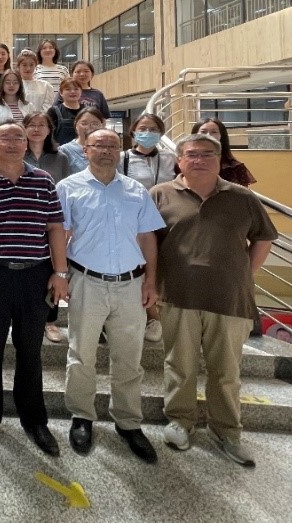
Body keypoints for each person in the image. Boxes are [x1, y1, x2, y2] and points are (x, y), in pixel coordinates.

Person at [151, 134, 277, 467]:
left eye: (208, 154)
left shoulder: (242, 197)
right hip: (177, 295)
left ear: (220, 160)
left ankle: (227, 431)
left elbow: (263, 238)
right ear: (179, 160)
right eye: (192, 154)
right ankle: (180, 421)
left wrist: (244, 274)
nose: (200, 160)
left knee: (226, 371)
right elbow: (147, 243)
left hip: (229, 298)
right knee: (180, 364)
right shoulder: (160, 194)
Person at [0, 121, 69, 456]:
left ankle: (34, 419)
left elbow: (55, 227)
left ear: (26, 143)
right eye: (4, 137)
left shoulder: (44, 180)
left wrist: (60, 272)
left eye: (17, 137)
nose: (11, 142)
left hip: (36, 275)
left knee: (30, 350)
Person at [58, 128, 165, 464]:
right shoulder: (68, 188)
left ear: (120, 150)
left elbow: (147, 238)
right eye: (98, 145)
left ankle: (128, 421)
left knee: (129, 358)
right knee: (81, 354)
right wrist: (60, 275)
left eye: (112, 146)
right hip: (86, 281)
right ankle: (82, 416)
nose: (105, 151)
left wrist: (151, 281)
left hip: (131, 284)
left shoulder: (135, 190)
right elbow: (60, 234)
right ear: (86, 150)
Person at [121, 113, 177, 345]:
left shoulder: (170, 158)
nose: (147, 133)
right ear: (133, 132)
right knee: (141, 268)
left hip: (166, 220)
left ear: (161, 133)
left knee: (162, 268)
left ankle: (161, 314)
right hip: (135, 223)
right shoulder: (123, 158)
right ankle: (152, 317)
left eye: (153, 129)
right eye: (143, 128)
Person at [22, 112, 72, 344]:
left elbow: (66, 190)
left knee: (54, 270)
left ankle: (50, 321)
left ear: (49, 129)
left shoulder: (60, 157)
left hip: (52, 222)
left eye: (41, 125)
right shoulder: (17, 154)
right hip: (24, 222)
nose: (36, 129)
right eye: (31, 125)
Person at [192, 118, 256, 187]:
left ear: (221, 136)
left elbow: (241, 193)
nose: (208, 136)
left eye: (214, 132)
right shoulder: (186, 164)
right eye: (203, 132)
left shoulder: (235, 168)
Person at [59, 107, 107, 173]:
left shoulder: (108, 148)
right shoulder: (65, 150)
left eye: (95, 124)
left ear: (101, 126)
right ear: (76, 125)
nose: (89, 127)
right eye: (84, 123)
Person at [48, 78, 85, 146]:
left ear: (81, 91)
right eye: (68, 89)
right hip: (61, 151)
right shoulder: (53, 111)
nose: (73, 92)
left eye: (76, 89)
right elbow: (48, 134)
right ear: (61, 93)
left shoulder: (87, 111)